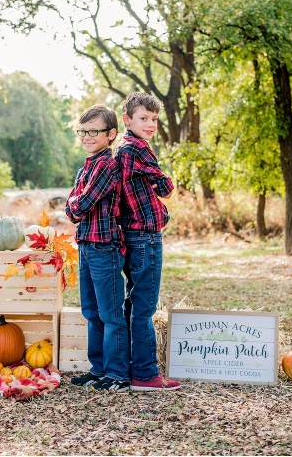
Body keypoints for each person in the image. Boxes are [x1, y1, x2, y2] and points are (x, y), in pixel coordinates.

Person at [115, 91, 181, 391]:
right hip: (145, 237)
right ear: (127, 119)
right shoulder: (139, 149)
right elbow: (165, 187)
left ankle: (130, 366)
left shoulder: (121, 148)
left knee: (132, 304)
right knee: (143, 307)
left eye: (154, 119)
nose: (150, 124)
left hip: (131, 234)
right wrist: (164, 183)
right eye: (144, 118)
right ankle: (144, 374)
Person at [66, 105, 130, 392]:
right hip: (85, 246)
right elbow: (71, 207)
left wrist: (76, 205)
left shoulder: (107, 165)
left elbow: (82, 203)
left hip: (105, 248)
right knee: (91, 310)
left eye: (95, 131)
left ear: (111, 134)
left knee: (110, 313)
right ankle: (99, 368)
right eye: (84, 131)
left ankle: (118, 373)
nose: (88, 136)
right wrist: (75, 205)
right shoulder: (86, 167)